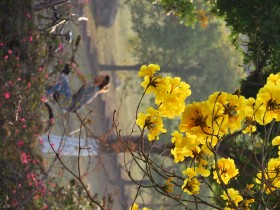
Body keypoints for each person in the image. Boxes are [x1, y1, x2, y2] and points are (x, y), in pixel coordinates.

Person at [46, 63, 110, 112]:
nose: (98, 75)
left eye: (101, 76)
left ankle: (45, 93)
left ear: (101, 81)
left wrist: (74, 67)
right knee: (58, 86)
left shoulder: (94, 88)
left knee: (63, 77)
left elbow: (84, 79)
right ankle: (46, 91)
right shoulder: (95, 89)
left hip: (68, 102)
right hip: (69, 105)